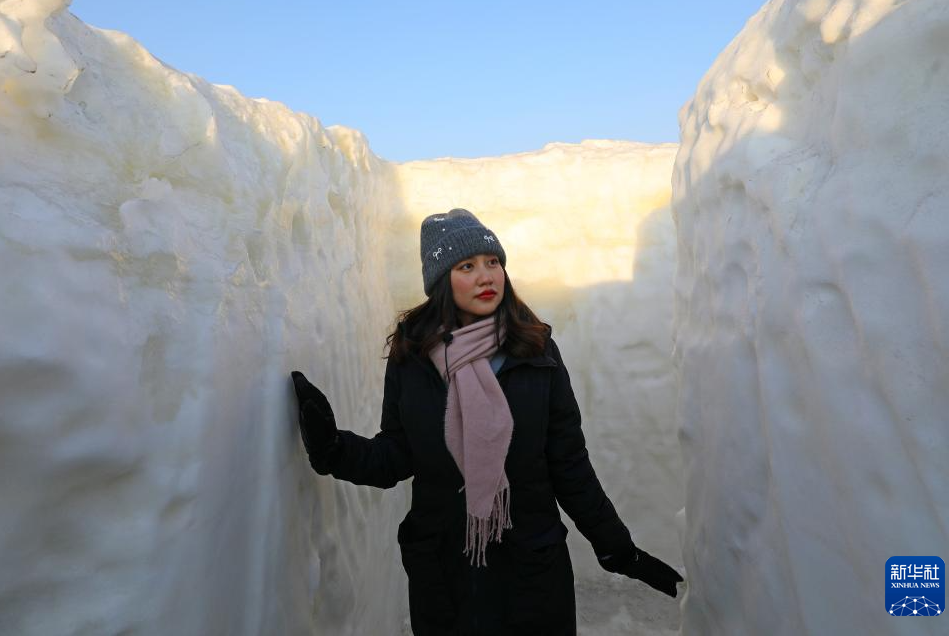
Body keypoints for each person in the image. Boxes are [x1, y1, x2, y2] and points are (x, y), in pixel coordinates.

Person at [291, 208, 682, 635]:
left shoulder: (537, 350)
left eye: (493, 262)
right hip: (444, 573)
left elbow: (569, 464)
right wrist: (333, 449)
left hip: (531, 570)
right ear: (442, 280)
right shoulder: (412, 357)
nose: (486, 276)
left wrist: (617, 547)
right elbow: (397, 454)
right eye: (467, 266)